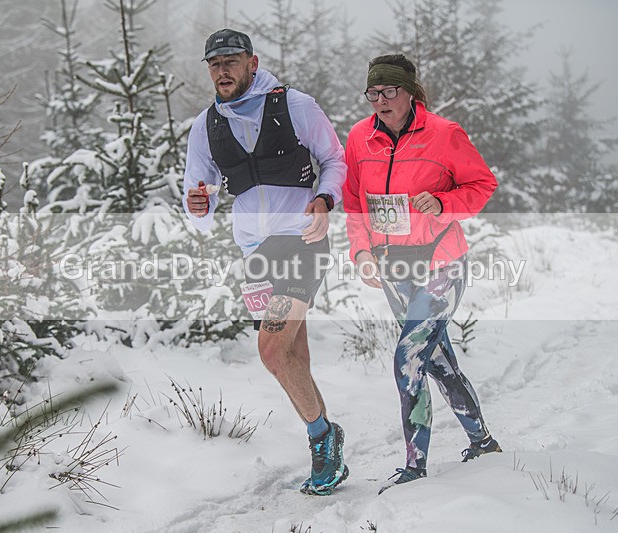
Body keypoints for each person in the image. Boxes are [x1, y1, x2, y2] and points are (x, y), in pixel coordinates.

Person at [183, 29, 348, 496]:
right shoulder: (206, 125)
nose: (221, 70)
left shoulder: (295, 105)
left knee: (271, 350)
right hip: (253, 253)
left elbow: (334, 159)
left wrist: (324, 200)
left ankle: (323, 440)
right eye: (213, 63)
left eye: (230, 60)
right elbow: (198, 192)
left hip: (300, 240)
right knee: (292, 353)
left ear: (252, 63)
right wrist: (199, 204)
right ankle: (326, 441)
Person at [342, 53, 502, 493]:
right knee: (437, 362)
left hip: (441, 264)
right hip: (394, 269)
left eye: (388, 91)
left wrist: (445, 202)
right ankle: (483, 443)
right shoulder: (359, 138)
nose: (379, 100)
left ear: (409, 92)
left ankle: (415, 468)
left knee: (408, 358)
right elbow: (354, 202)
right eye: (372, 93)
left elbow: (482, 184)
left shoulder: (444, 134)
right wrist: (361, 253)